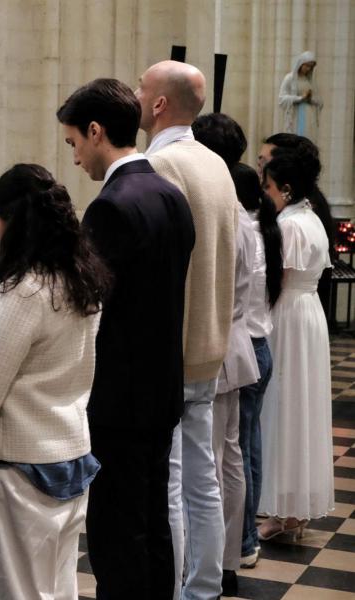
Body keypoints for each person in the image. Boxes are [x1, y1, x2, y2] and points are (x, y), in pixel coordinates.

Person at [58, 78, 195, 599]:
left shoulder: (111, 206)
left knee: (117, 534)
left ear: (96, 132)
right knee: (154, 524)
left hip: (120, 398)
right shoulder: (170, 195)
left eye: (74, 143)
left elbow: (90, 305)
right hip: (162, 388)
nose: (74, 158)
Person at [0, 163, 109, 600]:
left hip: (17, 468)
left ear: (13, 224)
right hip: (69, 452)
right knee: (57, 589)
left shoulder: (22, 293)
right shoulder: (82, 281)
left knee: (14, 592)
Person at [136, 61, 238, 600]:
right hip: (211, 342)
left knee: (169, 485)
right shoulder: (216, 164)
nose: (134, 93)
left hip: (171, 347)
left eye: (139, 86)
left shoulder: (162, 165)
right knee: (203, 479)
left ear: (157, 105)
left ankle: (174, 592)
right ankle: (203, 587)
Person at [192, 113, 260, 596]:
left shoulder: (218, 210)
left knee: (213, 465)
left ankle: (213, 565)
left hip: (217, 345)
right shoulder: (239, 212)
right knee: (229, 459)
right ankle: (229, 558)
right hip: (235, 344)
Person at [257, 149, 334, 539]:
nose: (264, 192)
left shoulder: (289, 224)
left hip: (288, 315)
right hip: (309, 314)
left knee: (284, 406)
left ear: (285, 189)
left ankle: (285, 508)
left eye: (268, 186)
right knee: (300, 406)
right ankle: (293, 507)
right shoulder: (313, 217)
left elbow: (277, 279)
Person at [229, 163, 281, 568]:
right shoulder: (265, 230)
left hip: (245, 345)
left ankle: (245, 540)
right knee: (250, 444)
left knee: (238, 449)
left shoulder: (243, 232)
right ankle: (247, 538)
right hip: (261, 344)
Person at [258, 133, 334, 319]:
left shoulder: (293, 221)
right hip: (308, 307)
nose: (260, 172)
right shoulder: (304, 211)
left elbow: (276, 275)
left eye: (267, 185)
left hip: (290, 308)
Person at [279, 51, 322, 139]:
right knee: (296, 139)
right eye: (306, 65)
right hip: (295, 115)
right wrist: (300, 98)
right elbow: (281, 98)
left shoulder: (310, 81)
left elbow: (319, 101)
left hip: (309, 115)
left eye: (311, 66)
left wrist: (310, 99)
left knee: (308, 139)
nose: (308, 68)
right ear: (300, 64)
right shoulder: (290, 78)